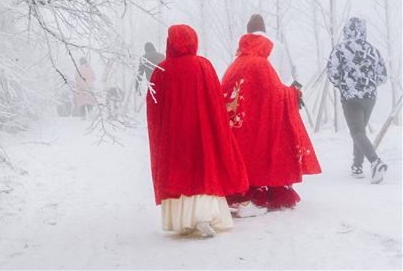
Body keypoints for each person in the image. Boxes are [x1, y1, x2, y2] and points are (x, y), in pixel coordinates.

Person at [147, 24, 248, 238]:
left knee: (179, 174)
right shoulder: (203, 66)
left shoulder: (161, 71)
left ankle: (183, 219)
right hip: (200, 132)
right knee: (203, 170)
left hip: (174, 136)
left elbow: (154, 110)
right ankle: (204, 216)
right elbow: (215, 102)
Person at [221, 14, 321, 216]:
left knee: (246, 152)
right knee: (267, 149)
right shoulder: (262, 62)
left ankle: (244, 189)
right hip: (263, 114)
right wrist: (294, 94)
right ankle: (264, 190)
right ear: (264, 43)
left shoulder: (236, 63)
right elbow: (276, 87)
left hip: (239, 120)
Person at [327, 17, 388, 183]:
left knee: (356, 131)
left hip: (350, 97)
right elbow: (383, 76)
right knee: (360, 131)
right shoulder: (372, 50)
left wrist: (343, 85)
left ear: (346, 30)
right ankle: (357, 166)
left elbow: (332, 74)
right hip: (369, 97)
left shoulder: (340, 49)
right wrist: (369, 83)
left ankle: (376, 162)